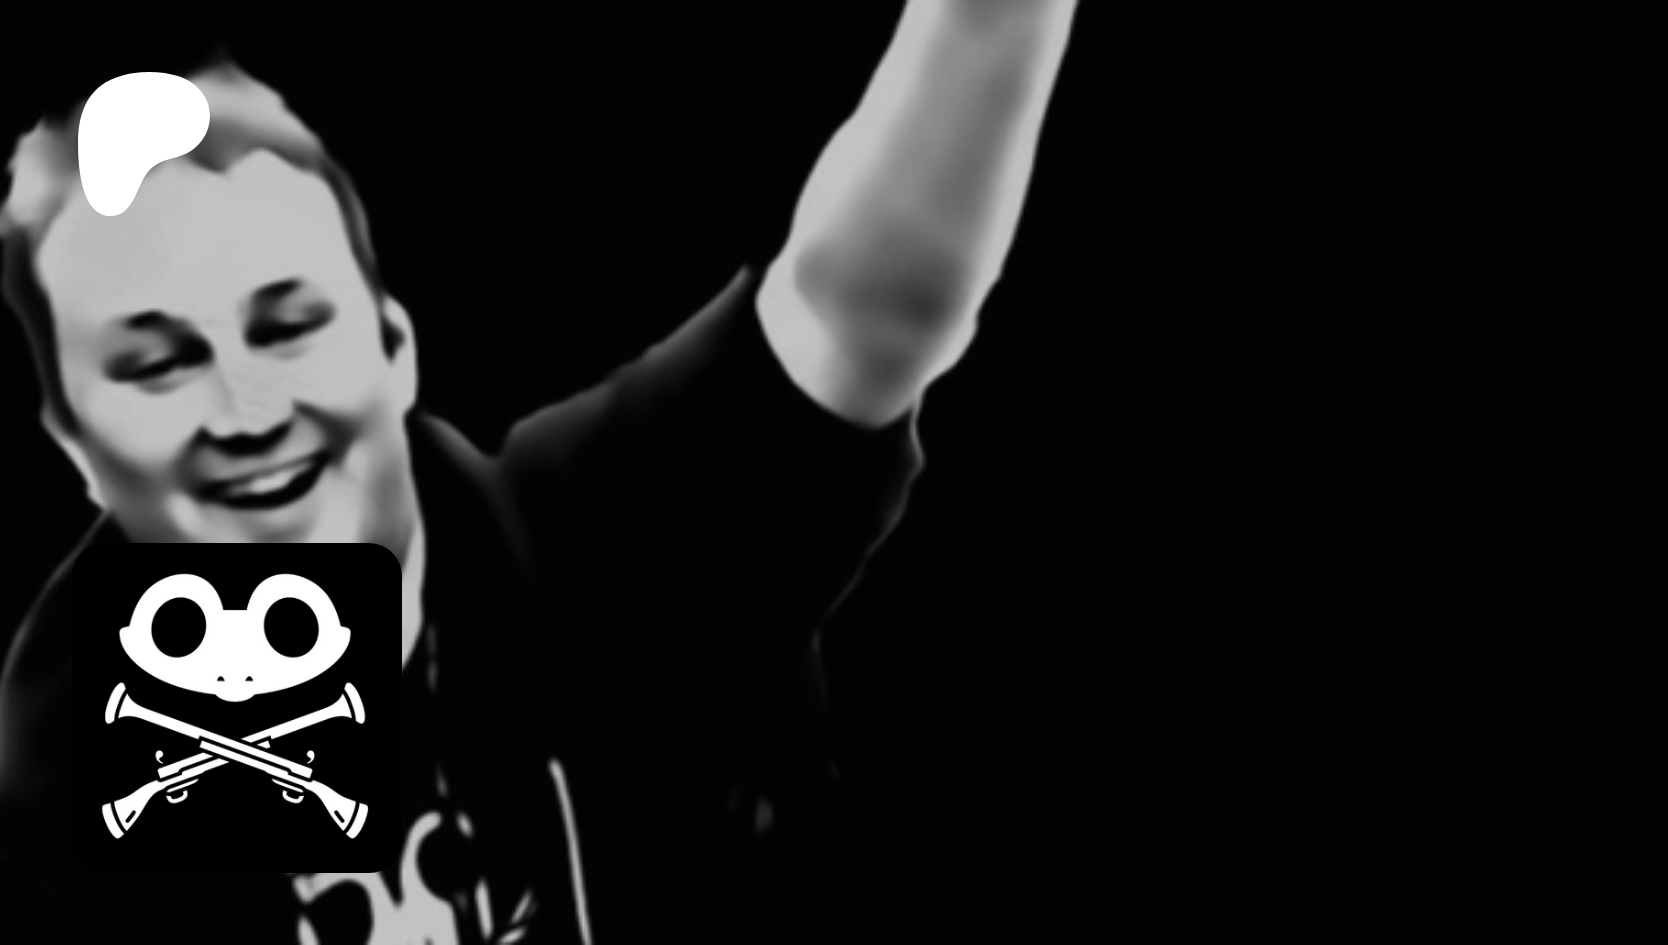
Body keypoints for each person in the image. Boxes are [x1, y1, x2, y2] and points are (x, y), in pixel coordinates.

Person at [0, 1, 1079, 940]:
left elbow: (864, 308)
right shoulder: (86, 746)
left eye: (288, 327)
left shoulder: (589, 546)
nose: (246, 412)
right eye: (159, 364)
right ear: (73, 443)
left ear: (394, 345)